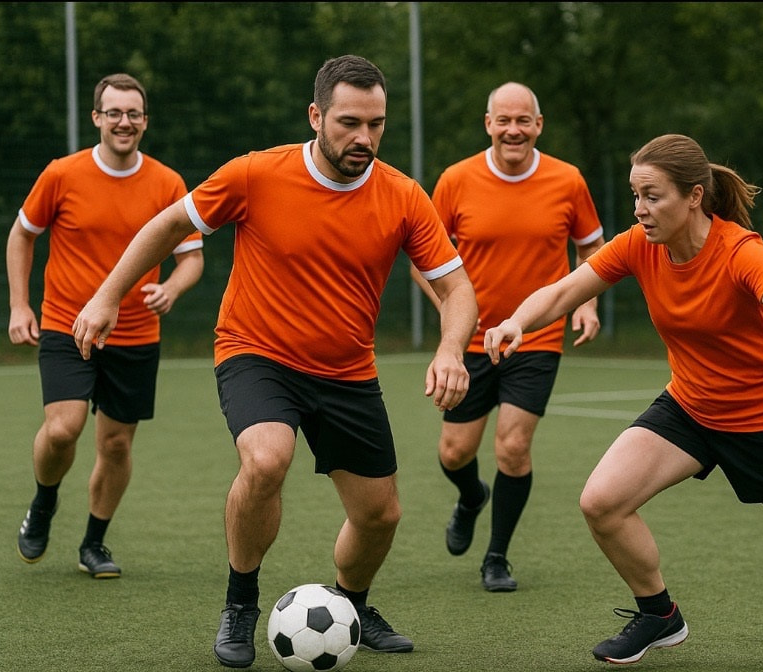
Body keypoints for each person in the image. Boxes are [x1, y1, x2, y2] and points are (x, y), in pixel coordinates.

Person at [72, 55, 478, 668]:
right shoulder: (255, 174)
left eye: (376, 124)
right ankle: (240, 603)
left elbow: (456, 288)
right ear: (316, 116)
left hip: (346, 370)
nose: (364, 138)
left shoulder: (402, 196)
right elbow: (168, 226)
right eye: (348, 122)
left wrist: (450, 349)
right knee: (266, 460)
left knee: (380, 515)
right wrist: (107, 296)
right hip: (256, 352)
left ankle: (352, 606)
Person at [483, 134, 763, 669]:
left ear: (694, 196)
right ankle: (658, 614)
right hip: (690, 407)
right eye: (636, 195)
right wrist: (517, 321)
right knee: (602, 501)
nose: (639, 209)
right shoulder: (638, 244)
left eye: (652, 196)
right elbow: (563, 291)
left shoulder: (740, 250)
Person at [7, 73, 204, 579]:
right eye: (113, 112)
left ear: (145, 121)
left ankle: (94, 543)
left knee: (116, 444)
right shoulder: (62, 174)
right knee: (63, 429)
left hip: (135, 335)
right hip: (66, 325)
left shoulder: (167, 183)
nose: (124, 122)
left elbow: (191, 258)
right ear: (96, 117)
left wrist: (172, 288)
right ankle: (44, 501)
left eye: (133, 113)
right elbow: (22, 235)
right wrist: (19, 306)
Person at [410, 82, 605, 592]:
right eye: (504, 120)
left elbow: (592, 250)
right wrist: (451, 314)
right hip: (472, 343)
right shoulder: (456, 180)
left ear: (538, 125)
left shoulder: (568, 180)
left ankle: (496, 557)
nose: (513, 130)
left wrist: (586, 303)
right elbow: (423, 260)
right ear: (488, 124)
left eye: (523, 121)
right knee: (455, 452)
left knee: (513, 448)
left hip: (535, 338)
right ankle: (472, 496)